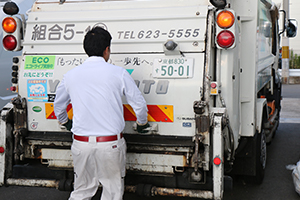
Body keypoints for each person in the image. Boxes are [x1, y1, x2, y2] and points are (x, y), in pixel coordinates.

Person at [54, 27, 149, 200]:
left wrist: (66, 123)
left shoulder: (70, 75)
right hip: (110, 145)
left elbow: (59, 107)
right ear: (107, 50)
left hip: (81, 144)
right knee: (112, 193)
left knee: (81, 191)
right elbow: (139, 105)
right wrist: (142, 123)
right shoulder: (119, 73)